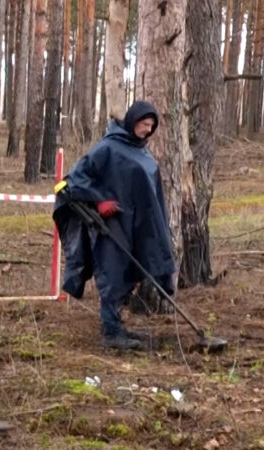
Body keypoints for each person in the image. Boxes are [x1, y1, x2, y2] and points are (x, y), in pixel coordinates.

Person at [53, 100, 175, 351]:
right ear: (132, 121)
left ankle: (117, 325)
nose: (147, 130)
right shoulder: (108, 148)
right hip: (111, 225)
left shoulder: (142, 152)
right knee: (112, 273)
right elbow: (74, 180)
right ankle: (111, 332)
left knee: (129, 273)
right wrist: (99, 201)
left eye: (151, 126)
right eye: (144, 124)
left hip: (137, 225)